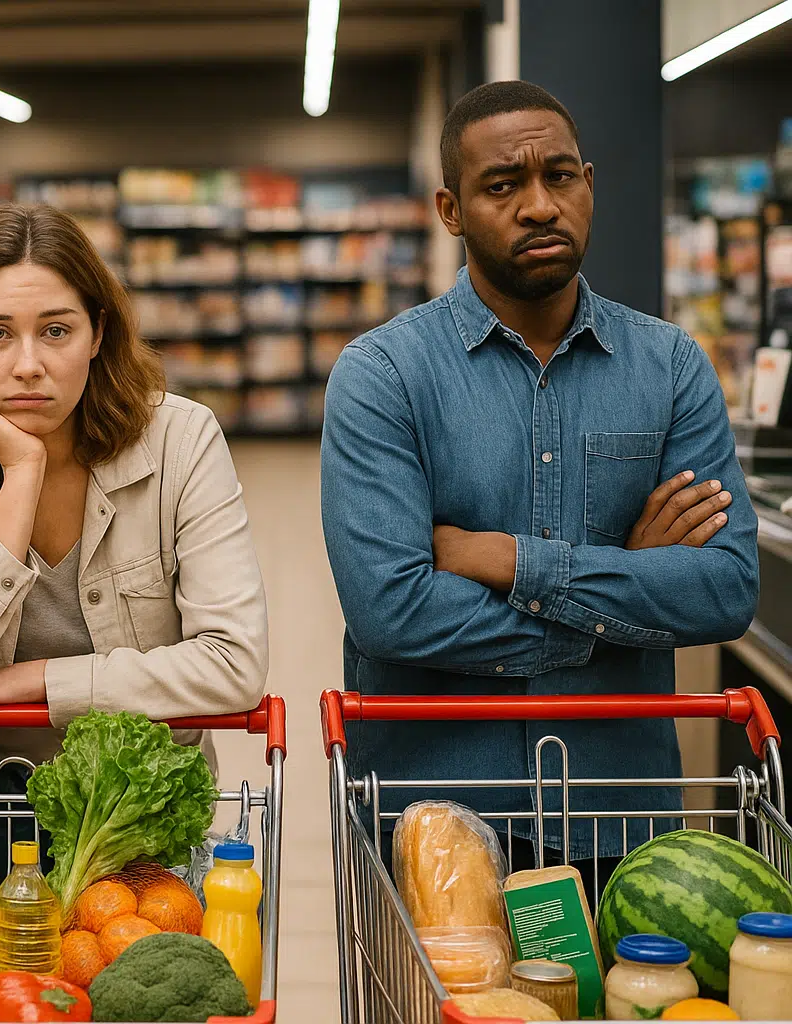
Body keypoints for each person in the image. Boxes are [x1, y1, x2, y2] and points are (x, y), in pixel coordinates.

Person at [320, 80, 759, 885]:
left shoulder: (668, 367)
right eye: (502, 185)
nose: (538, 205)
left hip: (619, 814)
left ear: (588, 184)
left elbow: (725, 591)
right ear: (451, 211)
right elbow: (392, 611)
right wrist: (621, 595)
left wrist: (511, 563)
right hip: (439, 820)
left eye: (558, 176)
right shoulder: (383, 375)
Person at [0, 204, 269, 889]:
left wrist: (32, 684)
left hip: (132, 804)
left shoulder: (181, 442)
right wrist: (21, 475)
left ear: (97, 334)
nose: (29, 365)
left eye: (56, 330)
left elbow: (233, 664)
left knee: (127, 994)